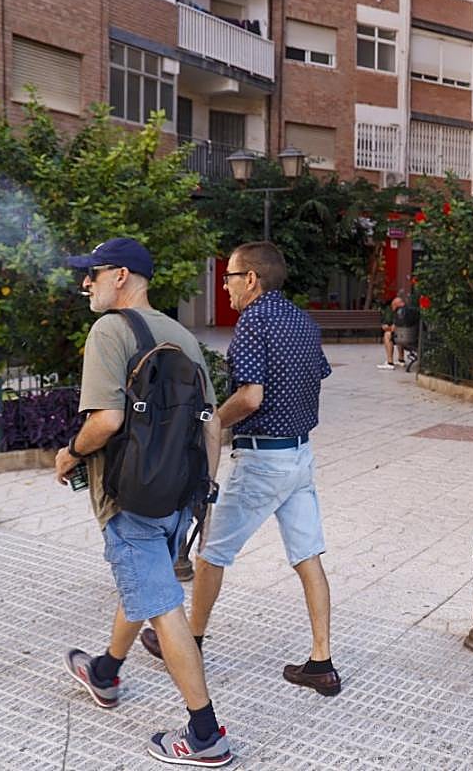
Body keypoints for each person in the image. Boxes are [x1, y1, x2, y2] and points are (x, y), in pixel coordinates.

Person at [55, 237, 233, 767]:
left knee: (159, 603)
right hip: (178, 493)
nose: (85, 282)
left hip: (129, 495)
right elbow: (213, 422)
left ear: (122, 276)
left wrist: (69, 453)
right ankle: (106, 672)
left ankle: (206, 734)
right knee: (145, 579)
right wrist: (201, 493)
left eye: (93, 273)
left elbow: (106, 421)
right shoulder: (182, 335)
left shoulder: (108, 330)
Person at [140, 241, 341, 696]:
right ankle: (322, 663)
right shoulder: (303, 322)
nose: (225, 285)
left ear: (251, 279)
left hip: (262, 460)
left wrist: (208, 421)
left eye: (229, 276)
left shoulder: (253, 321)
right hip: (300, 457)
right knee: (308, 557)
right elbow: (316, 378)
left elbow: (251, 397)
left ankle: (189, 642)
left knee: (211, 553)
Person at [377, 295, 406, 370]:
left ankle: (390, 363)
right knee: (400, 335)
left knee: (387, 335)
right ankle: (401, 360)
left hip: (405, 337)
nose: (392, 308)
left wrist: (387, 328)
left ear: (397, 305)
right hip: (411, 337)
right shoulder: (408, 311)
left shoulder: (400, 313)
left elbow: (394, 328)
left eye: (393, 305)